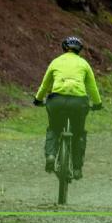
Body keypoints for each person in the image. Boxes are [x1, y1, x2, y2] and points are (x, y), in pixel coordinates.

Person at [33, 36, 103, 180]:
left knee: (54, 128)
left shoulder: (56, 62)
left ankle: (51, 155)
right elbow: (92, 87)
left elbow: (45, 85)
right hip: (79, 102)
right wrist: (97, 103)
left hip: (56, 101)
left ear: (64, 48)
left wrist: (38, 99)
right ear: (79, 50)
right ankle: (77, 168)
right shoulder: (84, 64)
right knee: (78, 134)